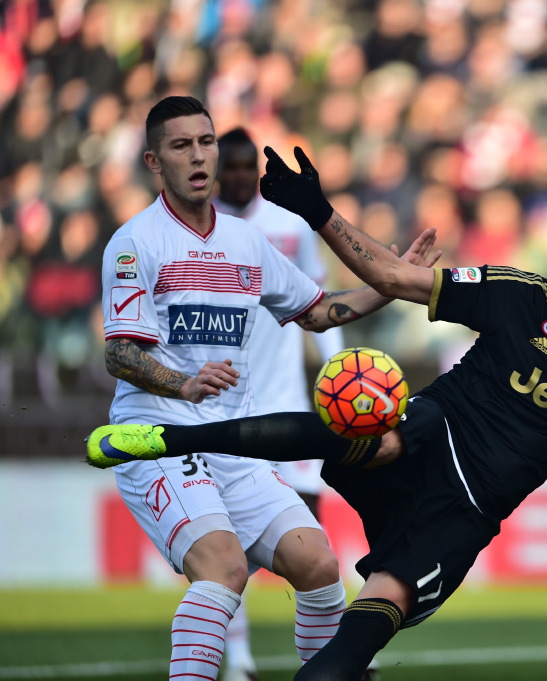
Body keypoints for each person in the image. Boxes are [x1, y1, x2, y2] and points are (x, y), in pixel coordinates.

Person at [86, 145, 547, 681]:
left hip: (464, 510)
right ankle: (164, 435)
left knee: (363, 614)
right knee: (366, 434)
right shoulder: (521, 296)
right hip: (429, 431)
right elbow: (397, 279)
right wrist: (320, 212)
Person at [93, 96, 438, 681]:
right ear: (155, 162)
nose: (199, 156)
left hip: (236, 444)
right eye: (182, 146)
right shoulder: (135, 244)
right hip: (160, 440)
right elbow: (119, 352)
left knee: (319, 563)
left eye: (205, 142)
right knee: (224, 569)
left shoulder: (247, 243)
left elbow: (320, 311)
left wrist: (397, 281)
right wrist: (183, 383)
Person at [214, 128, 381, 681]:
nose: (239, 175)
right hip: (230, 410)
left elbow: (315, 299)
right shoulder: (201, 231)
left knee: (312, 539)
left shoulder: (289, 225)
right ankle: (238, 662)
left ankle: (334, 659)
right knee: (229, 552)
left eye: (246, 166)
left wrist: (337, 371)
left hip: (288, 404)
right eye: (230, 166)